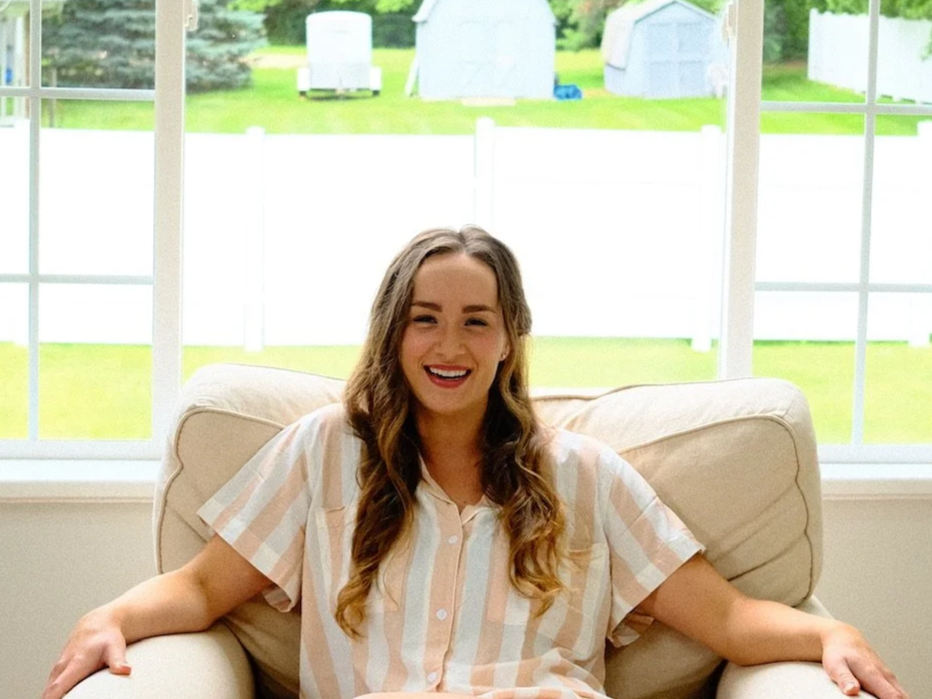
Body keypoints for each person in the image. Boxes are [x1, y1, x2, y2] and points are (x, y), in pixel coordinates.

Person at [43, 226, 908, 699]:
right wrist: (111, 613)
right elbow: (200, 588)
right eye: (424, 318)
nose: (449, 343)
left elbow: (726, 621)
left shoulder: (585, 474)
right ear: (394, 331)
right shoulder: (324, 454)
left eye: (475, 320)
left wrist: (829, 630)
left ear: (508, 340)